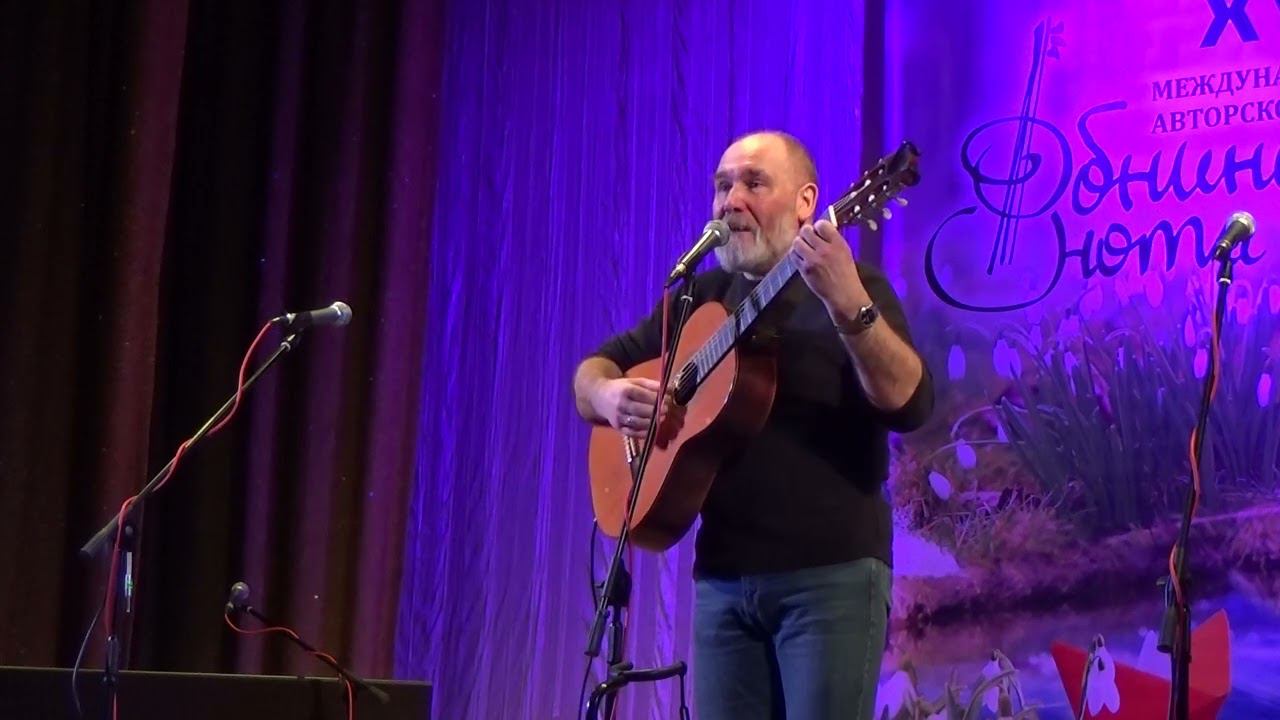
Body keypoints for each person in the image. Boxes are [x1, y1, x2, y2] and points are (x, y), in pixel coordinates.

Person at [572, 130, 934, 719]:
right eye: (722, 186)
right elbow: (593, 371)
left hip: (830, 579)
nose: (731, 200)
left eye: (754, 183)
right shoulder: (700, 297)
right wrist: (609, 396)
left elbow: (911, 405)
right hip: (723, 584)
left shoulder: (857, 287)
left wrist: (850, 307)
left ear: (807, 202)